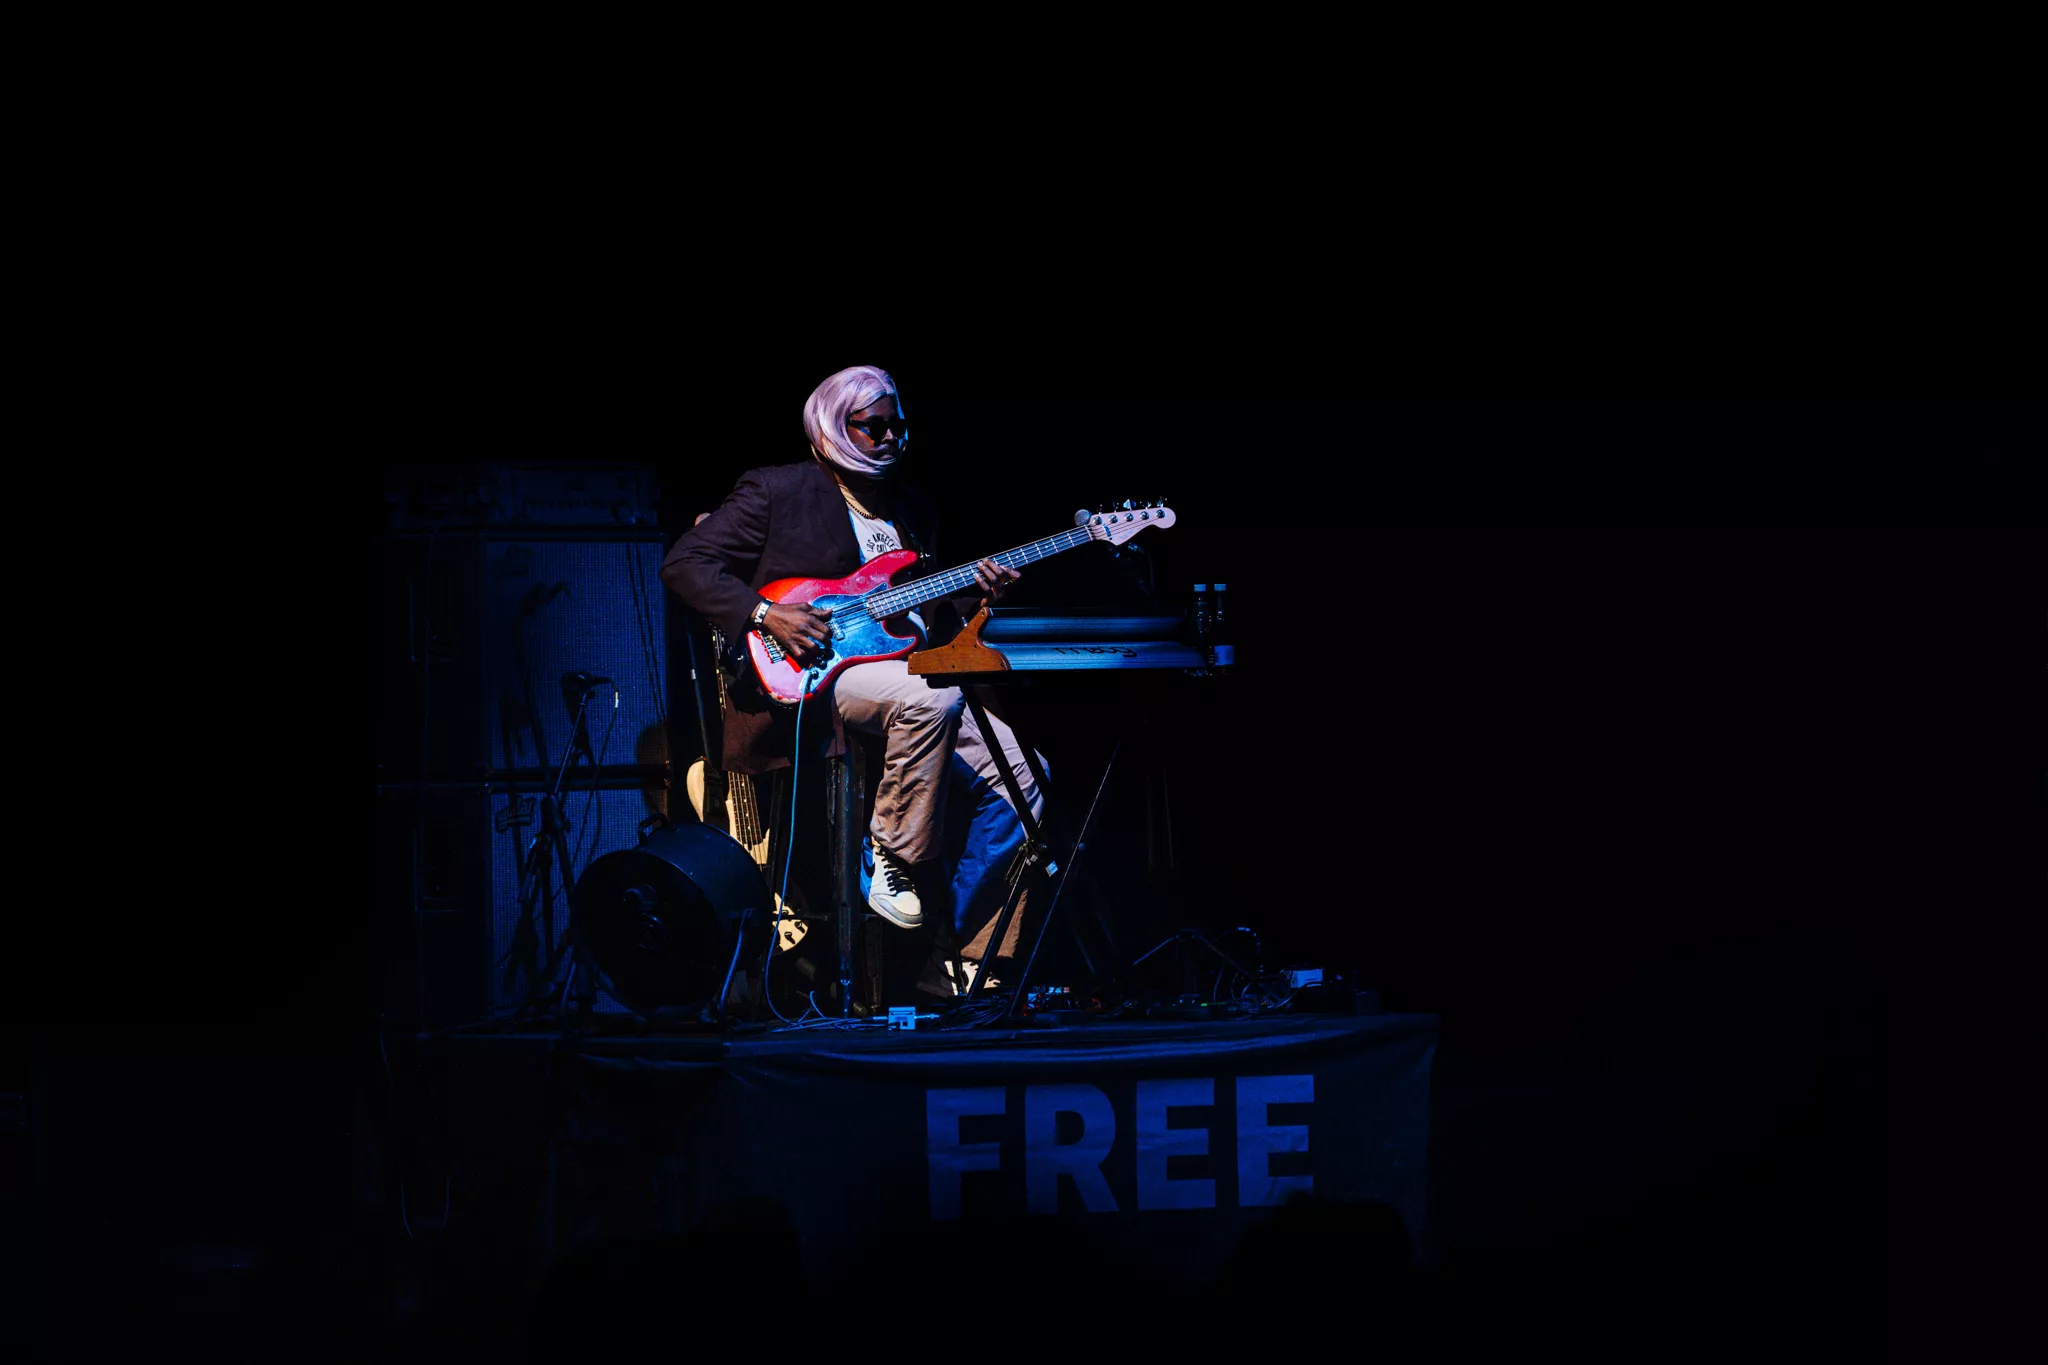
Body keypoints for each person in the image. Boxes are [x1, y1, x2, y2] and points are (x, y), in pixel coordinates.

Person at [660, 364, 1042, 990]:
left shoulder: (912, 508)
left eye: (898, 427)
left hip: (903, 670)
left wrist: (979, 597)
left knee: (1024, 779)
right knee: (930, 702)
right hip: (814, 678)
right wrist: (765, 614)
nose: (891, 438)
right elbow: (686, 562)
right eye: (874, 427)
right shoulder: (779, 490)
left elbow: (921, 614)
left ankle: (962, 958)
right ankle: (889, 852)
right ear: (834, 427)